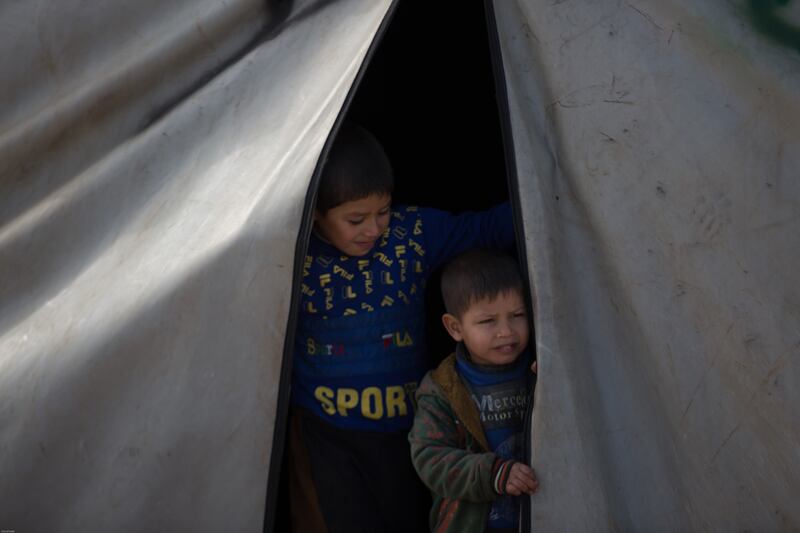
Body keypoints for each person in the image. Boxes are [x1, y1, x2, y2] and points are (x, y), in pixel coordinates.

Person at [288, 124, 515, 533]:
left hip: (411, 434)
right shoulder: (290, 252)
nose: (374, 229)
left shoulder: (411, 235)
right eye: (356, 219)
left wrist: (552, 194)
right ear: (317, 213)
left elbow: (484, 230)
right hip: (329, 435)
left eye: (383, 211)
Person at [409, 248, 538, 533]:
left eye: (517, 315)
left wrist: (552, 382)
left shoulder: (542, 373)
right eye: (488, 321)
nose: (506, 331)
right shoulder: (442, 390)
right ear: (455, 327)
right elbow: (429, 458)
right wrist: (493, 474)